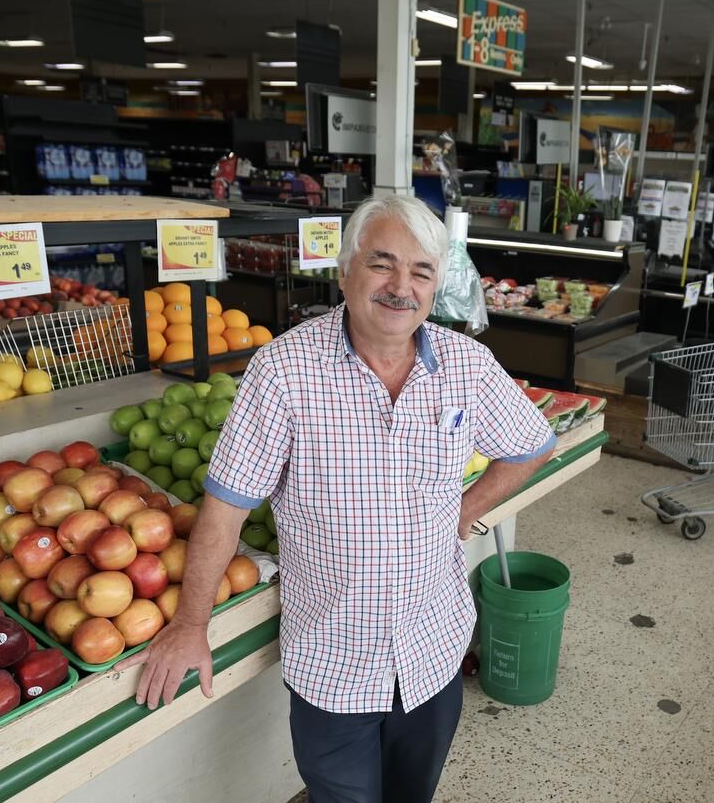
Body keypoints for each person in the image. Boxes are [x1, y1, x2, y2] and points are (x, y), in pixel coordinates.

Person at [119, 195, 556, 803]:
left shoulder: (467, 366)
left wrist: (467, 509)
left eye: (422, 272)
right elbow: (224, 509)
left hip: (434, 651)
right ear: (345, 271)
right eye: (382, 264)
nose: (401, 286)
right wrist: (191, 625)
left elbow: (534, 444)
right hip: (335, 664)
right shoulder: (282, 372)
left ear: (436, 286)